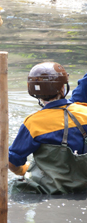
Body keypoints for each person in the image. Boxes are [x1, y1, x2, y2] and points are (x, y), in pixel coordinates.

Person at [9, 62, 87, 194]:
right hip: (83, 187)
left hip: (51, 192)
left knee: (14, 187)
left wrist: (24, 170)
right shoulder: (84, 112)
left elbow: (13, 162)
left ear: (33, 92)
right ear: (63, 88)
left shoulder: (33, 123)